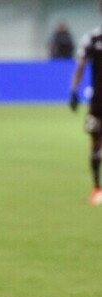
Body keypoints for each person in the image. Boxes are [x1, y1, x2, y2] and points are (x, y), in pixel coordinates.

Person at [70, 5, 102, 206]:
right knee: (95, 142)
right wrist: (74, 91)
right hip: (98, 102)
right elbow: (81, 65)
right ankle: (97, 188)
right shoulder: (92, 38)